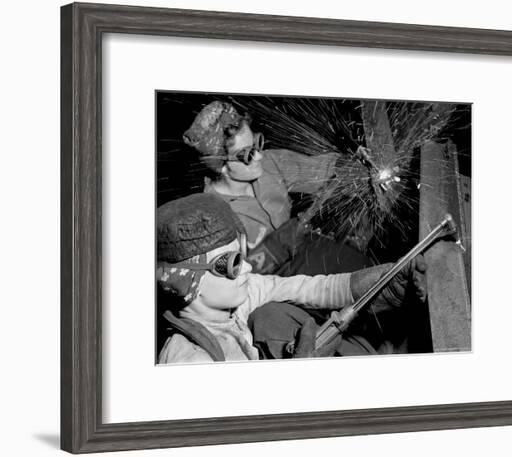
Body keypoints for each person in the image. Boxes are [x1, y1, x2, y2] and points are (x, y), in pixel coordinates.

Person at [156, 193, 427, 364]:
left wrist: (386, 281)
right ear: (186, 283)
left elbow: (306, 288)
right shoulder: (190, 361)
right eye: (232, 263)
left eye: (243, 255)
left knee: (271, 316)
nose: (248, 268)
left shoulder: (235, 305)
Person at [182, 100, 370, 276]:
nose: (259, 157)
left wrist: (349, 163)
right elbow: (233, 284)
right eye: (247, 155)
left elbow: (316, 169)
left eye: (256, 144)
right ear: (221, 166)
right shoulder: (211, 218)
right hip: (267, 294)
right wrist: (273, 248)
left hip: (303, 261)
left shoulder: (269, 164)